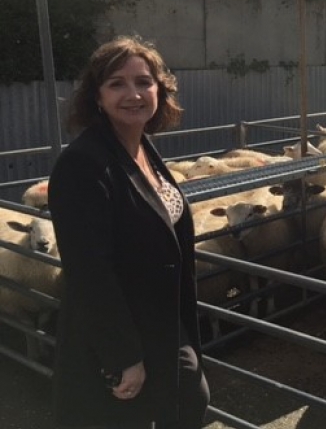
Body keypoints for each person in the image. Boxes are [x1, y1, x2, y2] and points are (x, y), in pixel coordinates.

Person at [48, 36, 209, 428]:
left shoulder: (143, 149)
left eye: (143, 81)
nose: (133, 93)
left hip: (163, 323)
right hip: (123, 332)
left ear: (159, 89)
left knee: (189, 401)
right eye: (117, 83)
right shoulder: (83, 164)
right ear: (97, 96)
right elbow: (89, 271)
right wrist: (124, 358)